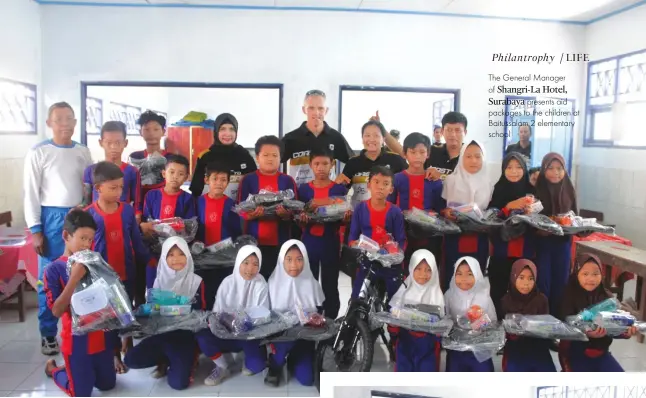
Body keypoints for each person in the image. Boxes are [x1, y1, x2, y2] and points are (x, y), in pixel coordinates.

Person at [24, 101, 93, 355]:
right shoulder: (38, 152)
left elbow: (88, 187)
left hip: (79, 216)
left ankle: (81, 325)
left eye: (69, 119)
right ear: (49, 123)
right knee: (49, 278)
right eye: (59, 119)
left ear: (75, 123)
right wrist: (36, 229)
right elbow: (30, 193)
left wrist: (85, 206)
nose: (64, 124)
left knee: (82, 273)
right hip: (50, 218)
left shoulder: (83, 151)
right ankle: (48, 333)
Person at [85, 161, 155, 372]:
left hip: (127, 270)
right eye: (113, 188)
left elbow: (136, 239)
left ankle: (128, 342)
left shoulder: (126, 211)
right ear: (98, 188)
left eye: (121, 187)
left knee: (126, 309)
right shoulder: (89, 214)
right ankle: (114, 353)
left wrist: (149, 260)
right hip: (102, 277)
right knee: (109, 315)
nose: (119, 192)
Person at [43, 209, 116, 397]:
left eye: (90, 240)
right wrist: (74, 278)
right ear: (66, 235)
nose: (87, 245)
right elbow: (57, 311)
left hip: (101, 337)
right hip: (76, 342)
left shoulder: (95, 262)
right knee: (81, 393)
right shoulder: (53, 269)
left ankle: (84, 371)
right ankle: (55, 370)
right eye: (83, 238)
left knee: (107, 385)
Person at [124, 237, 206, 390]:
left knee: (178, 384)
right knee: (130, 359)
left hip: (183, 337)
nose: (176, 259)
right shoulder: (158, 279)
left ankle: (189, 358)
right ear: (164, 258)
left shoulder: (196, 281)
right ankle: (164, 359)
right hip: (161, 335)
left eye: (181, 254)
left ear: (188, 256)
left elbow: (196, 312)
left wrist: (164, 306)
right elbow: (153, 310)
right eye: (171, 255)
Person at [196, 245, 269, 386]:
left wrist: (244, 320)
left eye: (255, 264)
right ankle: (222, 366)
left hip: (249, 334)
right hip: (227, 331)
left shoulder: (261, 283)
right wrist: (228, 322)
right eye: (246, 263)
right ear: (238, 262)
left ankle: (246, 355)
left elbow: (264, 313)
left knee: (257, 366)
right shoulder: (227, 282)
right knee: (202, 336)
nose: (250, 269)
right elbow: (217, 312)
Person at [558, 254, 638, 372]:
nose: (591, 279)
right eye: (585, 274)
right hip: (575, 354)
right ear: (577, 274)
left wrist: (625, 332)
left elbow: (613, 326)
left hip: (601, 353)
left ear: (602, 275)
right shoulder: (569, 296)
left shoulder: (608, 298)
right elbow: (563, 328)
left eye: (596, 274)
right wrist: (586, 333)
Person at [298, 146, 350, 319]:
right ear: (311, 165)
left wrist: (347, 217)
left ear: (333, 165)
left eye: (325, 164)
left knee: (330, 282)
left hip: (330, 241)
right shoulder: (303, 190)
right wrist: (302, 218)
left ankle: (331, 318)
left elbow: (343, 218)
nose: (321, 168)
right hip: (309, 241)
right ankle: (313, 316)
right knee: (308, 281)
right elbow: (296, 216)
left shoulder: (339, 190)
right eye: (317, 164)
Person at [238, 136, 298, 279]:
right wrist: (252, 215)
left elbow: (295, 210)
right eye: (265, 155)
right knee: (254, 282)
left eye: (274, 155)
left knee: (278, 282)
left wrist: (286, 215)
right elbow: (240, 209)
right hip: (253, 241)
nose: (270, 159)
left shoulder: (287, 181)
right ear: (257, 157)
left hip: (281, 241)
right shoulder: (248, 180)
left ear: (281, 158)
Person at [266, 240, 324, 387]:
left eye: (299, 259)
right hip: (281, 336)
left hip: (304, 336)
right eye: (289, 260)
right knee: (286, 342)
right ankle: (275, 363)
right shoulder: (272, 284)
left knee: (307, 380)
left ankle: (294, 359)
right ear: (281, 260)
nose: (294, 265)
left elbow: (319, 313)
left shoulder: (311, 283)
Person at [487, 153, 536, 317]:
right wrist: (508, 207)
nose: (514, 171)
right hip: (502, 251)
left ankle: (520, 333)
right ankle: (499, 326)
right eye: (509, 167)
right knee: (499, 291)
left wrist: (531, 212)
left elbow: (540, 221)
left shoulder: (532, 192)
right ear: (503, 170)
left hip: (526, 251)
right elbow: (491, 219)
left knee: (523, 292)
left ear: (524, 169)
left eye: (518, 167)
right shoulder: (498, 189)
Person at [388, 133, 444, 272]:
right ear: (405, 154)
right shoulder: (397, 179)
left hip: (429, 236)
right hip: (402, 234)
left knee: (427, 268)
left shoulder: (435, 181)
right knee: (404, 270)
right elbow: (389, 206)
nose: (417, 156)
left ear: (428, 154)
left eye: (422, 152)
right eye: (413, 152)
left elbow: (440, 210)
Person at [348, 166, 406, 301]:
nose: (380, 187)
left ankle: (392, 321)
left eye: (385, 184)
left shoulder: (395, 212)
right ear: (369, 185)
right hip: (366, 264)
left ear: (391, 189)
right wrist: (356, 245)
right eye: (376, 182)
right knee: (357, 300)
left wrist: (393, 255)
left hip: (389, 265)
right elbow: (352, 238)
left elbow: (401, 241)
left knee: (393, 303)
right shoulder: (360, 209)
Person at [440, 140, 492, 290]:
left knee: (475, 275)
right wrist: (446, 212)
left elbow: (492, 211)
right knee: (452, 275)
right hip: (454, 237)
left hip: (478, 238)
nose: (473, 161)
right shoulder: (450, 181)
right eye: (468, 156)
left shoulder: (488, 184)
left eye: (477, 156)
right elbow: (439, 209)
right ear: (461, 157)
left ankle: (475, 312)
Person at [534, 152, 577, 316]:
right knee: (543, 283)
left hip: (563, 244)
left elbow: (574, 216)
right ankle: (542, 321)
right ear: (544, 170)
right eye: (550, 168)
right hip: (542, 244)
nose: (555, 172)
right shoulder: (537, 189)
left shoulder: (569, 188)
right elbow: (531, 218)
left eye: (559, 168)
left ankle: (557, 325)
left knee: (561, 283)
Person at [195, 161, 243, 308]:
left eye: (223, 180)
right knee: (205, 291)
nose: (219, 183)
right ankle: (206, 318)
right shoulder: (198, 202)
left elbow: (236, 232)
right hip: (203, 256)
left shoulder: (232, 204)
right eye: (215, 179)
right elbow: (193, 229)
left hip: (225, 258)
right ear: (206, 180)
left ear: (228, 183)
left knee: (224, 290)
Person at [282, 89, 354, 186]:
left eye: (320, 108)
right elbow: (273, 160)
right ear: (304, 110)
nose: (316, 112)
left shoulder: (335, 137)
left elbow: (354, 162)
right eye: (311, 108)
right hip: (299, 197)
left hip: (328, 197)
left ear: (326, 110)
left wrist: (343, 177)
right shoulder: (291, 138)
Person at [390, 249, 444, 372]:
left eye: (428, 270)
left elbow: (440, 324)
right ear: (411, 268)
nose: (423, 274)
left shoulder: (436, 294)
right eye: (418, 269)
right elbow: (394, 315)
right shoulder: (404, 290)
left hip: (427, 345)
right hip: (406, 343)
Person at [499, 259, 556, 372]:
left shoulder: (541, 300)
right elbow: (502, 329)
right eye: (521, 277)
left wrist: (538, 329)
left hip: (538, 348)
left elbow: (546, 328)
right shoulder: (506, 300)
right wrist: (512, 334)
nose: (526, 283)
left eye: (531, 279)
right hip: (515, 347)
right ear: (513, 277)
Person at [337, 120, 408, 208]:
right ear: (362, 139)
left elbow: (409, 181)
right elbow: (341, 192)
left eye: (376, 135)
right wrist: (337, 183)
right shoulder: (352, 163)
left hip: (388, 216)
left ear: (383, 139)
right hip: (360, 215)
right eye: (367, 135)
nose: (371, 139)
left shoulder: (396, 160)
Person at [444, 256, 496, 372]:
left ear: (477, 275)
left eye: (469, 274)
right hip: (456, 349)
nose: (464, 279)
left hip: (479, 349)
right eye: (459, 274)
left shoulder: (484, 297)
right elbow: (444, 318)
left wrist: (479, 326)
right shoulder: (449, 295)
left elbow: (492, 321)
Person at [188, 113, 257, 199]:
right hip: (210, 209)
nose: (227, 133)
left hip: (240, 209)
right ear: (216, 131)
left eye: (232, 129)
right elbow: (196, 190)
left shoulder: (244, 155)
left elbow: (255, 185)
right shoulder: (205, 156)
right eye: (222, 129)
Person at [83, 121, 141, 215]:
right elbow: (86, 202)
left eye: (118, 142)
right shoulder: (90, 171)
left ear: (125, 143)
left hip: (122, 221)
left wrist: (135, 217)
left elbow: (137, 203)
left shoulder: (132, 171)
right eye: (108, 142)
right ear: (101, 143)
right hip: (96, 222)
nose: (113, 147)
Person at [129, 110, 171, 212]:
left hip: (164, 206)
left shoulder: (170, 158)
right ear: (140, 132)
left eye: (156, 129)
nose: (151, 133)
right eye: (147, 129)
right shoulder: (134, 157)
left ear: (163, 131)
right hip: (139, 206)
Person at [140, 154, 196, 227]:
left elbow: (189, 225)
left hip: (178, 237)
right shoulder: (151, 195)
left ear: (186, 178)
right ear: (164, 174)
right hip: (153, 236)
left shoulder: (188, 198)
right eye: (172, 172)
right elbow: (146, 220)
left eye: (180, 174)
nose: (175, 177)